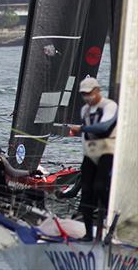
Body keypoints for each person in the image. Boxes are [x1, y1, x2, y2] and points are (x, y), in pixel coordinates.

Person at [70, 76, 117, 241]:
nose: (87, 97)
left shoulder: (109, 106)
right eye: (84, 94)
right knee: (86, 193)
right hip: (91, 152)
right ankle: (89, 234)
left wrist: (81, 128)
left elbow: (104, 126)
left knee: (99, 186)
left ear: (97, 91)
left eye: (89, 93)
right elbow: (86, 136)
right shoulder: (84, 110)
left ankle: (111, 219)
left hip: (107, 150)